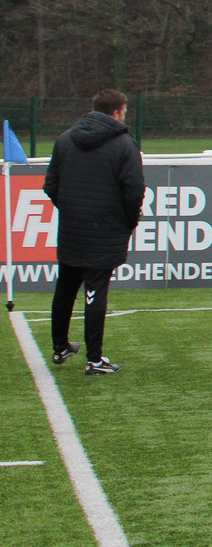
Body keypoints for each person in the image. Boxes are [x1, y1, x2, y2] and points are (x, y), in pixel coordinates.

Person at [44, 89, 146, 374]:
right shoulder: (125, 145)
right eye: (124, 112)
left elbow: (50, 185)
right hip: (106, 229)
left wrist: (71, 209)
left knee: (65, 288)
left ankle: (60, 347)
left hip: (72, 227)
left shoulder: (64, 140)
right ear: (116, 113)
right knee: (95, 291)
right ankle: (95, 359)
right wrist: (128, 221)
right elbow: (134, 189)